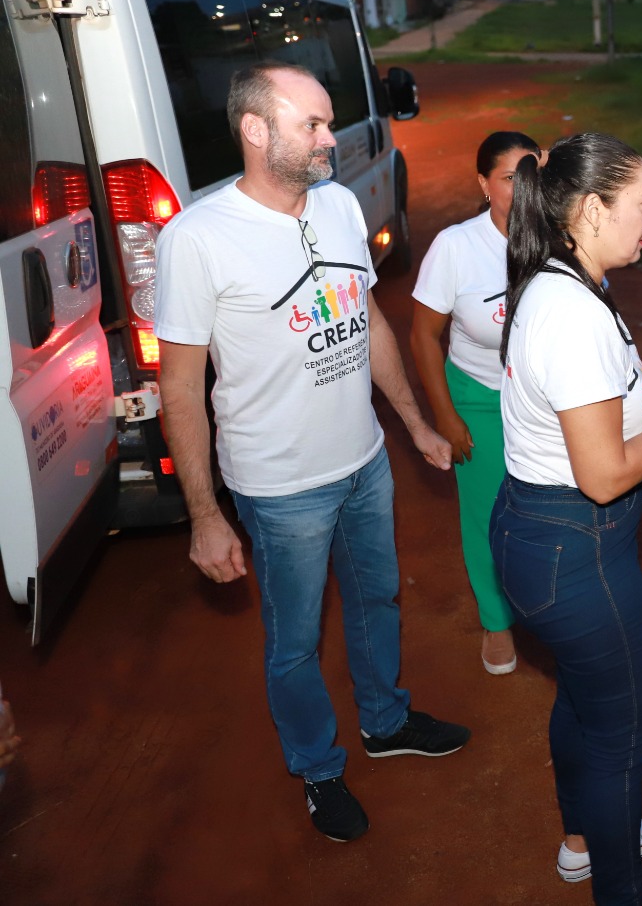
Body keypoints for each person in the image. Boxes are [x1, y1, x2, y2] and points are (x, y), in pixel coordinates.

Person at [155, 60, 470, 844]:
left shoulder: (333, 206)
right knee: (294, 642)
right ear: (255, 132)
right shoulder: (196, 239)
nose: (332, 138)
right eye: (314, 125)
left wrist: (414, 426)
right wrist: (204, 514)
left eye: (329, 122)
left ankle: (385, 722)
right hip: (280, 485)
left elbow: (367, 325)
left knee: (377, 600)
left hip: (363, 460)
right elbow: (181, 391)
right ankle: (319, 770)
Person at [491, 132, 642, 906]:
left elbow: (580, 414)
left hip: (537, 537)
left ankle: (584, 838)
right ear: (589, 210)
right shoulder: (570, 312)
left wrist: (640, 396)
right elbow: (607, 475)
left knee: (584, 701)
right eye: (641, 204)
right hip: (575, 551)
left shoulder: (560, 281)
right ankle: (620, 889)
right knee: (624, 734)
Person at [411, 131, 541, 675]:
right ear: (483, 184)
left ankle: (548, 610)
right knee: (487, 515)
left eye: (531, 174)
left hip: (543, 401)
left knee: (548, 509)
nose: (522, 187)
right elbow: (422, 336)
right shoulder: (456, 247)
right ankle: (496, 622)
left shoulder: (558, 237)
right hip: (479, 397)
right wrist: (445, 415)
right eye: (510, 177)